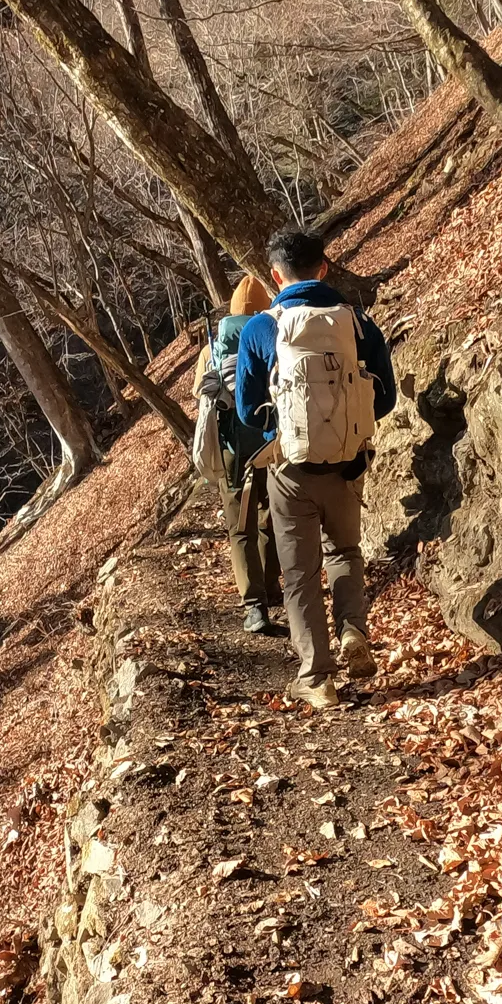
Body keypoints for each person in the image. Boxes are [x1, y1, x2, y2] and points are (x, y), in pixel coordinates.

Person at [235, 228, 397, 710]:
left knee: (300, 571)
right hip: (348, 463)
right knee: (345, 550)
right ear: (324, 268)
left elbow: (247, 411)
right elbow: (385, 397)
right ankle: (353, 631)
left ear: (274, 276)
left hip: (289, 467)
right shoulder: (359, 322)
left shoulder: (260, 329)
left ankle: (317, 677)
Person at [193, 276, 283, 633]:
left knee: (239, 526)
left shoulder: (212, 348)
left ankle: (254, 606)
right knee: (272, 514)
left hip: (233, 447)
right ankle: (273, 586)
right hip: (272, 442)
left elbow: (199, 395)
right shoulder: (270, 332)